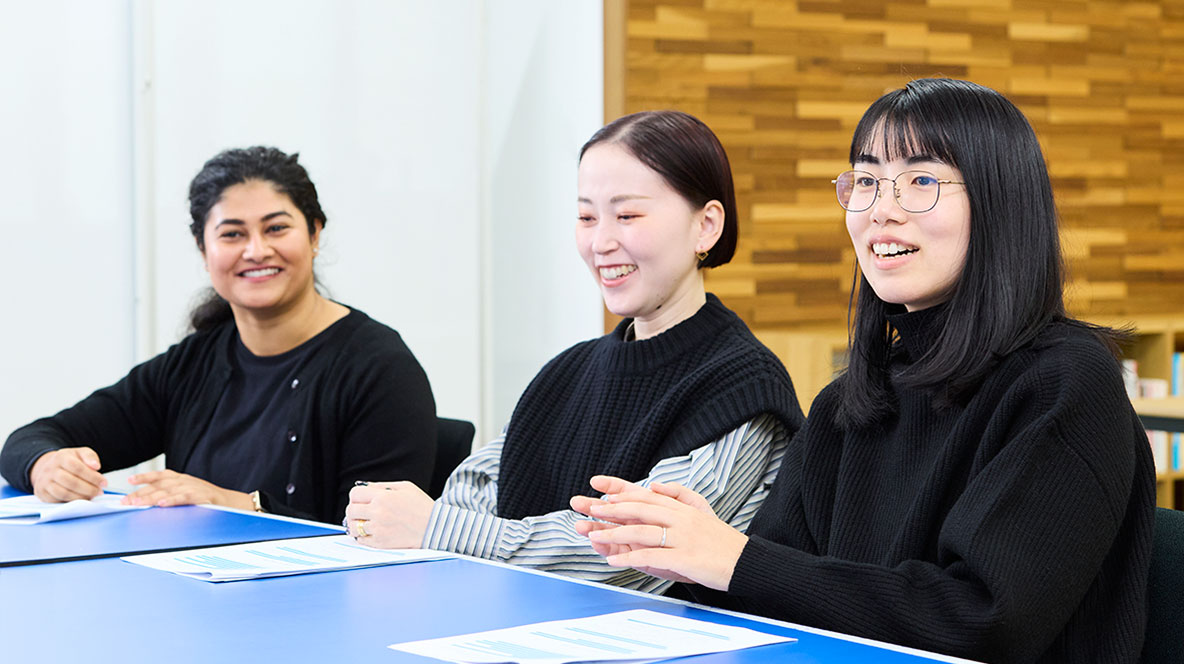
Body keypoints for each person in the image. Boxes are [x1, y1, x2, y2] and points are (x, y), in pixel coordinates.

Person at [572, 78, 1155, 662]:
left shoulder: (1066, 385)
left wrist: (736, 560)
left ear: (1001, 202)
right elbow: (779, 587)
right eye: (867, 181)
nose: (881, 211)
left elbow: (983, 622)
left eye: (921, 181)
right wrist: (692, 553)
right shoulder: (852, 400)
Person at [345, 110, 804, 593]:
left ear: (706, 226)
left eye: (627, 215)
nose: (601, 242)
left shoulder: (744, 384)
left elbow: (633, 552)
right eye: (586, 217)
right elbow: (475, 488)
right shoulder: (567, 370)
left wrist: (440, 530)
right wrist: (436, 524)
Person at [0, 146, 436, 524]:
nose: (256, 250)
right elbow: (29, 440)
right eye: (232, 234)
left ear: (315, 233)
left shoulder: (379, 368)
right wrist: (46, 466)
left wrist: (235, 505)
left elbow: (377, 535)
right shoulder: (193, 364)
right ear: (203, 250)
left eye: (276, 228)